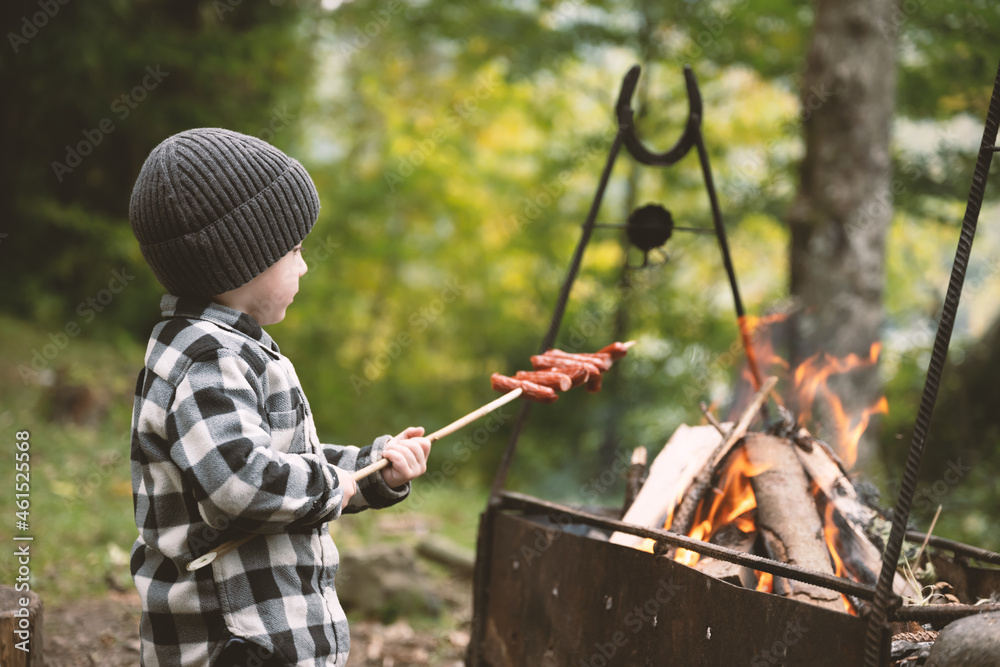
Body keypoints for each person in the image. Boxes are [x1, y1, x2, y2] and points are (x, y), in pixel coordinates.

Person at [127, 127, 431, 667]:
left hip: (264, 635)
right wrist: (333, 484)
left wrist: (371, 470)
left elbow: (280, 464)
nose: (305, 264)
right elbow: (242, 484)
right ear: (241, 259)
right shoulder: (206, 360)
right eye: (294, 249)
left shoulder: (229, 349)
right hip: (236, 644)